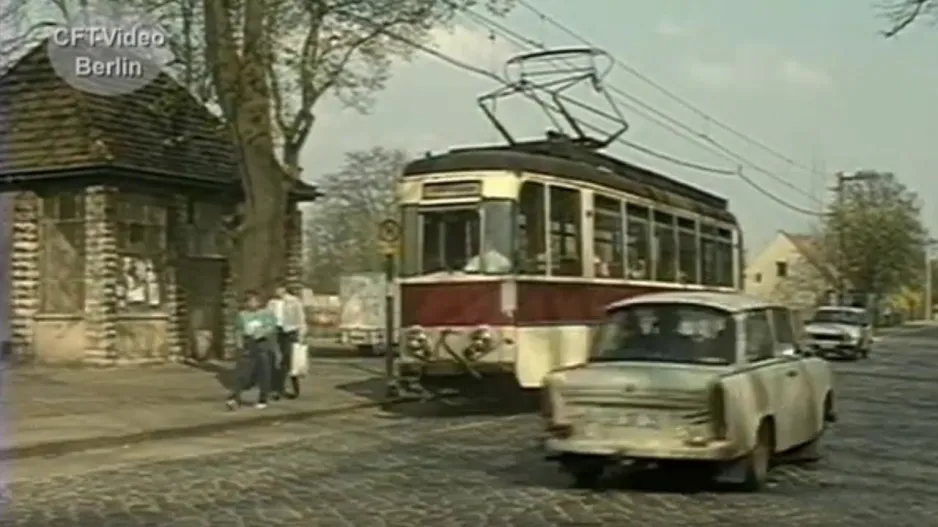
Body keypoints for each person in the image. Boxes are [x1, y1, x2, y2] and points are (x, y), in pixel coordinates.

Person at [227, 290, 278, 410]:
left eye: (254, 301)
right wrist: (239, 344)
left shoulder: (266, 313)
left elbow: (271, 327)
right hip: (248, 344)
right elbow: (238, 330)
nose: (251, 303)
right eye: (249, 301)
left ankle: (263, 398)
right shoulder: (242, 315)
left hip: (262, 344)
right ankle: (236, 397)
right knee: (243, 372)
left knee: (263, 372)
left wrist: (260, 333)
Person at [269, 284, 307, 399]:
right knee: (277, 360)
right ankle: (277, 389)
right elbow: (268, 317)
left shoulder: (294, 301)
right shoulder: (272, 303)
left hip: (290, 331)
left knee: (290, 360)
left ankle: (294, 388)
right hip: (277, 331)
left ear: (284, 289)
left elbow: (301, 318)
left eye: (279, 288)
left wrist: (301, 334)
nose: (277, 291)